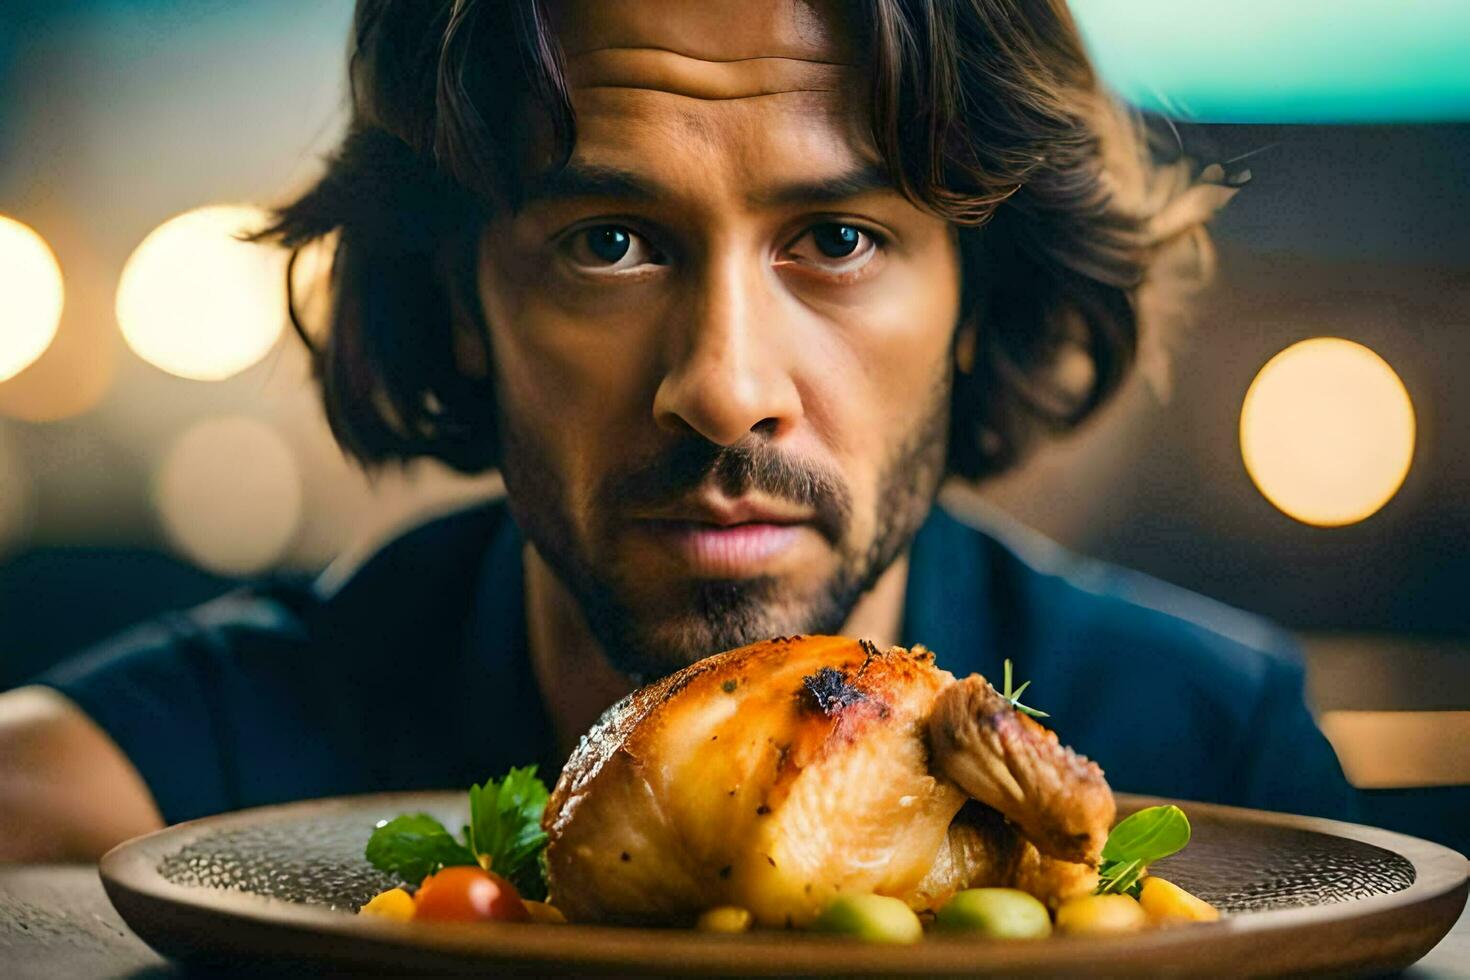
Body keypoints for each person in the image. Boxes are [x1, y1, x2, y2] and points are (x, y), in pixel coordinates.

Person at [0, 0, 1357, 861]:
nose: (721, 386)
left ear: (969, 300)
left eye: (835, 239)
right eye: (609, 242)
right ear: (460, 301)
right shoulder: (223, 760)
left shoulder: (1215, 744)